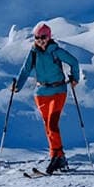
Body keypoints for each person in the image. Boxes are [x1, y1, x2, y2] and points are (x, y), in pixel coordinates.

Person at [13, 23, 81, 174]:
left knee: (52, 124)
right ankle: (56, 156)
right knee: (48, 126)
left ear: (48, 37)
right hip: (41, 93)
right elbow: (25, 69)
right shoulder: (34, 52)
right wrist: (18, 86)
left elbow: (74, 62)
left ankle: (58, 156)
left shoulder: (55, 51)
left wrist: (75, 78)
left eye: (43, 37)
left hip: (58, 91)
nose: (40, 41)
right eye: (37, 38)